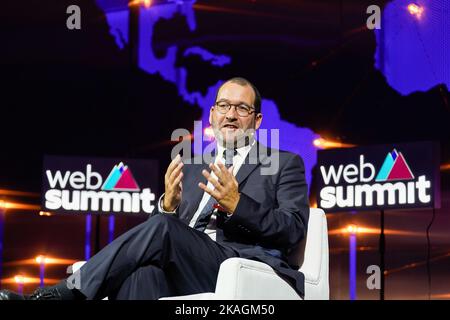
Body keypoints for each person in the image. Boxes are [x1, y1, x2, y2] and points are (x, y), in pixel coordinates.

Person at [0, 77, 309, 300]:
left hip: (238, 264)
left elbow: (293, 230)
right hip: (185, 264)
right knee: (141, 274)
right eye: (224, 106)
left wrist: (237, 203)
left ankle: (63, 294)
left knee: (162, 228)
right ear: (212, 115)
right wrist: (168, 206)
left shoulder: (283, 162)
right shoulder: (191, 166)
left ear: (256, 122)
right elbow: (156, 235)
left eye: (241, 108)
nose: (230, 114)